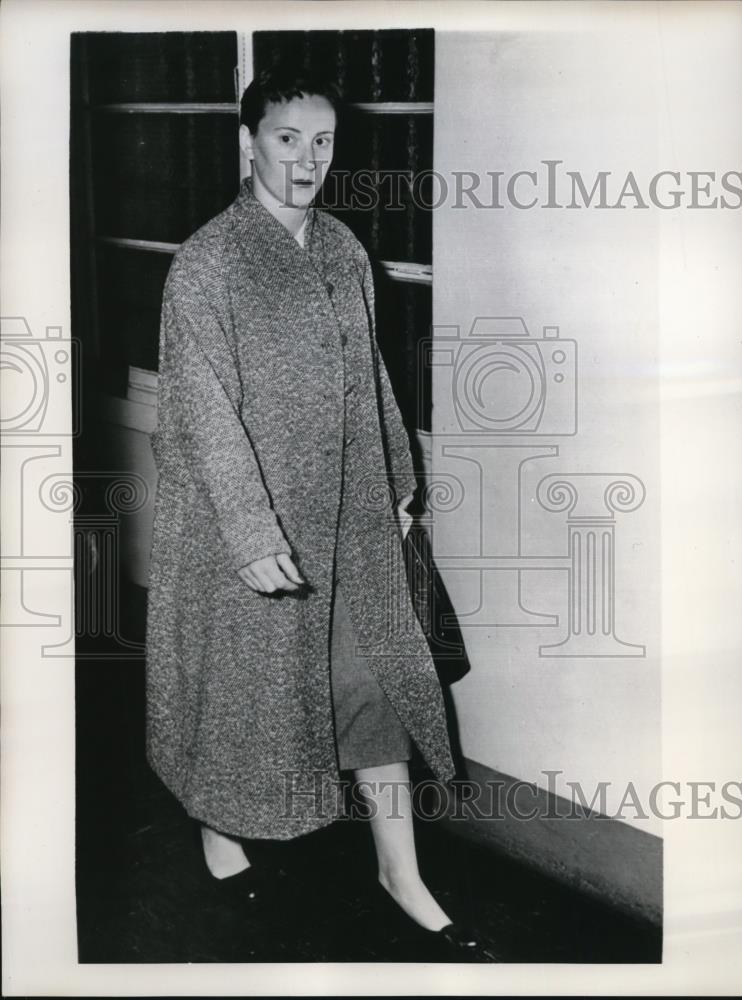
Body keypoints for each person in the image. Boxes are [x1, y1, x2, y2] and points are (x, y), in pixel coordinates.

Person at [145, 66, 496, 961]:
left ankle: (399, 872)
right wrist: (252, 534)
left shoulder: (341, 248)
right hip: (241, 527)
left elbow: (367, 372)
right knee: (239, 702)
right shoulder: (207, 262)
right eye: (286, 138)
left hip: (346, 516)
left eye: (323, 140)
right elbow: (200, 409)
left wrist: (396, 475)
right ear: (248, 142)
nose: (306, 160)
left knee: (377, 683)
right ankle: (217, 825)